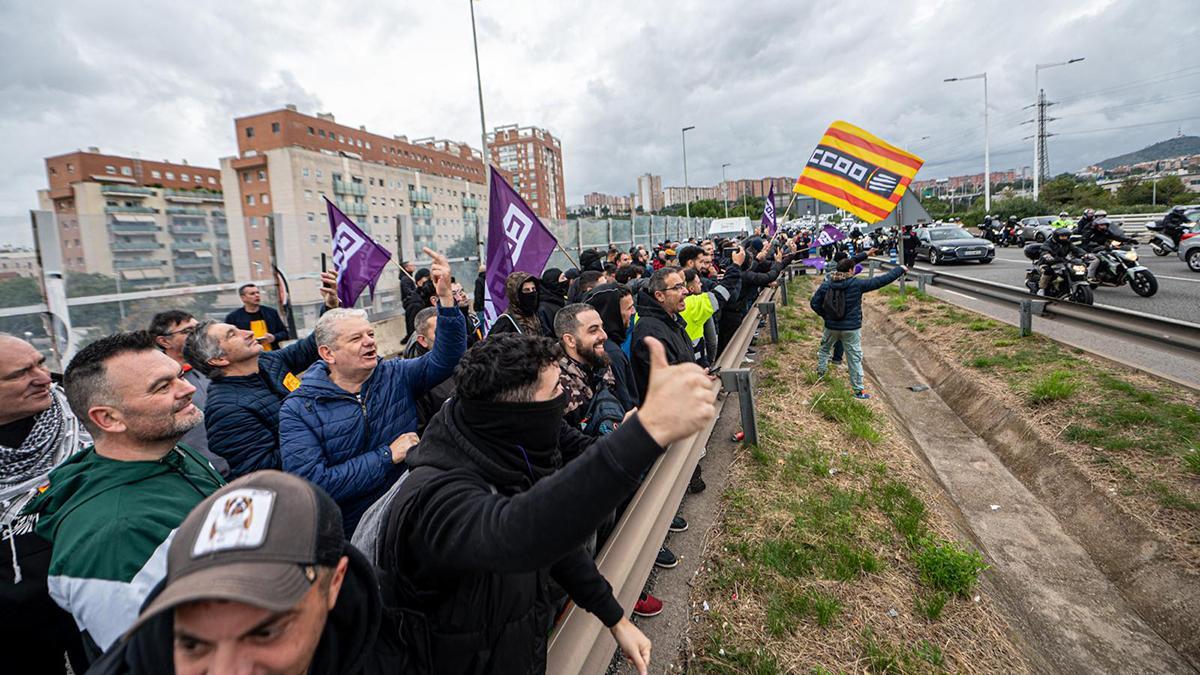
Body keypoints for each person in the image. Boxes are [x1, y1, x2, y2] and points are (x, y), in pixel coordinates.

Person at [361, 333, 718, 674]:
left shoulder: (497, 446)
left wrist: (612, 615)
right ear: (519, 412)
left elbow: (554, 538)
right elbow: (521, 532)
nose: (565, 396)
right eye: (556, 390)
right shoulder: (434, 498)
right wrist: (647, 431)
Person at [23, 331, 225, 656]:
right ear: (108, 418)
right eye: (162, 387)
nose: (187, 389)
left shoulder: (175, 455)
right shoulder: (114, 538)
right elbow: (147, 659)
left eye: (179, 376)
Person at [88, 471, 402, 675]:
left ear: (334, 582)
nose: (226, 670)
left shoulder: (400, 650)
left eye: (264, 633)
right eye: (193, 645)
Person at [279, 250, 466, 535]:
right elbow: (313, 484)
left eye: (370, 334)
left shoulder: (394, 373)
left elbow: (447, 358)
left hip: (409, 511)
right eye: (356, 338)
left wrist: (446, 301)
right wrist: (387, 455)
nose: (370, 343)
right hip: (355, 531)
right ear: (328, 353)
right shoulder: (300, 409)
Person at [186, 271, 339, 478]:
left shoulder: (267, 361)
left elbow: (310, 347)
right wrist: (328, 434)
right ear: (219, 359)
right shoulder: (227, 411)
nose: (247, 333)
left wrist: (329, 308)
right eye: (233, 335)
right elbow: (263, 469)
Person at [0, 335, 89, 674]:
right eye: (21, 373)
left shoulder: (84, 416)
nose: (43, 378)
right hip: (13, 616)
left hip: (91, 583)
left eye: (40, 362)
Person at [810, 258, 906, 399]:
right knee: (854, 358)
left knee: (824, 349)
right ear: (850, 270)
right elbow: (880, 281)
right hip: (851, 329)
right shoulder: (857, 284)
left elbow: (814, 303)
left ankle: (820, 374)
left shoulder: (827, 284)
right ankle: (858, 391)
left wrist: (826, 316)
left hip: (831, 327)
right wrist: (900, 270)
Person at [148, 310, 229, 476]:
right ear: (164, 341)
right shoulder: (156, 382)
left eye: (198, 328)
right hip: (199, 472)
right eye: (187, 331)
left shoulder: (216, 365)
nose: (197, 335)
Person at [630, 267, 692, 403]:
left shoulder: (673, 322)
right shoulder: (649, 331)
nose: (686, 291)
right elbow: (665, 384)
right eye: (677, 287)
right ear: (659, 296)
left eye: (683, 286)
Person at [585, 283, 638, 411]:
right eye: (629, 308)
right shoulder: (611, 353)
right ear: (612, 313)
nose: (633, 312)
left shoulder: (607, 346)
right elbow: (626, 404)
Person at [225, 283, 288, 351]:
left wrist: (274, 337)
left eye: (258, 293)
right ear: (243, 298)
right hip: (248, 356)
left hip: (272, 353)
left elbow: (285, 333)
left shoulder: (271, 312)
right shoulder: (233, 317)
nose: (257, 295)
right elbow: (228, 340)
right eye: (252, 294)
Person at [1036, 227, 1089, 296]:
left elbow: (1076, 249)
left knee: (1073, 269)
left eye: (1066, 236)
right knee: (1048, 271)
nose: (1064, 238)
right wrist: (1048, 256)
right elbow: (1044, 251)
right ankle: (1041, 289)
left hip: (1062, 262)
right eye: (1062, 236)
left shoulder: (1067, 243)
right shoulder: (1048, 243)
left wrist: (1085, 254)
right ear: (1056, 236)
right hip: (1046, 263)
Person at [488, 271, 544, 336]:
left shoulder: (534, 316)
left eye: (533, 289)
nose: (531, 293)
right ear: (516, 295)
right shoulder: (506, 322)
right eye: (526, 290)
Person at [538, 267, 569, 336]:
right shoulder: (543, 308)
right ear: (554, 282)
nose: (566, 280)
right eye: (563, 278)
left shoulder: (561, 298)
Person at [403, 268, 431, 336]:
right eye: (428, 279)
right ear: (419, 282)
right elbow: (413, 331)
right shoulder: (416, 304)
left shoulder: (426, 297)